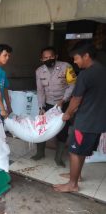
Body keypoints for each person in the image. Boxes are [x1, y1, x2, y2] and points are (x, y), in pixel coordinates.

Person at [54, 41, 106, 193]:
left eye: (76, 58)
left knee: (74, 151)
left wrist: (68, 113)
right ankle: (76, 176)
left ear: (86, 56)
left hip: (86, 121)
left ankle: (73, 184)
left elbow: (76, 99)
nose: (75, 62)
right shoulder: (103, 70)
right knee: (81, 150)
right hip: (98, 120)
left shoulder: (86, 74)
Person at [32, 46, 76, 167]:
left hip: (63, 104)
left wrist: (63, 100)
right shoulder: (39, 71)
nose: (48, 59)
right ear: (41, 59)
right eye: (45, 57)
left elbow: (72, 85)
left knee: (62, 130)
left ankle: (58, 157)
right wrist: (41, 107)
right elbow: (40, 90)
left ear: (56, 56)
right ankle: (40, 153)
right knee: (42, 128)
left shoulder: (66, 67)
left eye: (51, 56)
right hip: (47, 104)